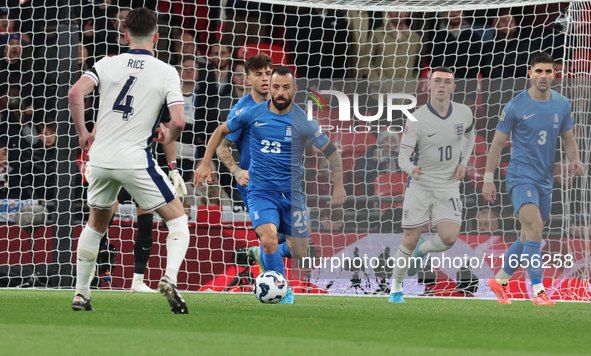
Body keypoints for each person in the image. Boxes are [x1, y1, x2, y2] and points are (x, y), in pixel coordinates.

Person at [68, 7, 190, 314]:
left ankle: (81, 294)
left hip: (100, 158)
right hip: (135, 159)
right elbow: (178, 119)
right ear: (157, 37)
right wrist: (167, 135)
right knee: (177, 218)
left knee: (95, 225)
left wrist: (83, 132)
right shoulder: (165, 71)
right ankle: (170, 279)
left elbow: (75, 92)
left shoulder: (106, 63)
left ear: (125, 35)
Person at [194, 67, 347, 304]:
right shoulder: (251, 113)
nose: (280, 92)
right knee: (269, 239)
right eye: (276, 87)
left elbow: (333, 154)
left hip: (292, 195)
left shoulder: (304, 121)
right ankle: (284, 290)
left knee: (299, 252)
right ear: (271, 88)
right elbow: (220, 132)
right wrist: (210, 164)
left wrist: (339, 185)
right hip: (260, 192)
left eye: (286, 87)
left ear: (294, 90)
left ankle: (263, 255)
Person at [483, 52, 584, 306]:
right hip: (520, 176)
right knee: (536, 229)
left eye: (548, 71)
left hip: (545, 180)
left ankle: (500, 279)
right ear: (530, 73)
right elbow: (496, 144)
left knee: (528, 236)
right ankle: (539, 291)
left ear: (554, 74)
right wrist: (488, 178)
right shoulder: (516, 105)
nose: (543, 76)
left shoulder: (561, 103)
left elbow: (569, 137)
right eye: (538, 71)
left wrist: (575, 158)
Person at [388, 66, 476, 303]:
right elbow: (402, 156)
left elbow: (470, 135)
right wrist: (411, 169)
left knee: (448, 238)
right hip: (420, 184)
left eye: (447, 82)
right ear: (428, 85)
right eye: (436, 81)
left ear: (453, 88)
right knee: (409, 239)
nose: (441, 85)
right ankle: (396, 289)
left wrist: (463, 163)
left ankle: (423, 250)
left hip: (448, 185)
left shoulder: (464, 113)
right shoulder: (416, 118)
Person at [215, 54, 292, 273]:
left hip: (282, 182)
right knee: (271, 238)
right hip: (255, 185)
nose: (266, 78)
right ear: (248, 80)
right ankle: (279, 286)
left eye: (269, 73)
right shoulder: (242, 111)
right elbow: (222, 145)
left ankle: (260, 253)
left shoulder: (282, 102)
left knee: (294, 245)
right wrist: (236, 169)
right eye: (259, 74)